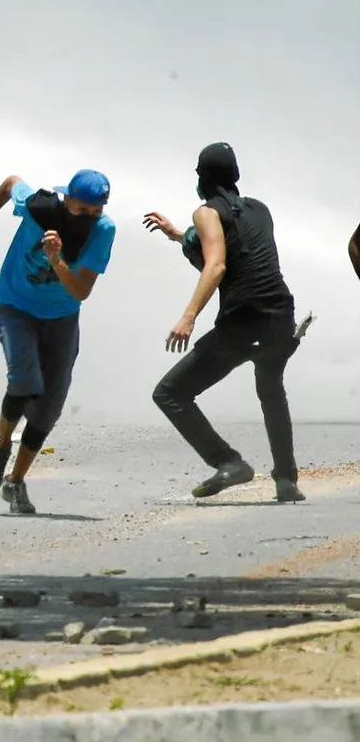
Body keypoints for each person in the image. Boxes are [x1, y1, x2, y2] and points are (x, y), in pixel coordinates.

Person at [144, 143, 305, 502]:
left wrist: (188, 317)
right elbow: (236, 247)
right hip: (281, 315)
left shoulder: (205, 212)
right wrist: (179, 236)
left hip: (243, 321)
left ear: (202, 179)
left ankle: (228, 462)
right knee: (271, 389)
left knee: (170, 393)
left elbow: (216, 264)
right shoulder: (261, 210)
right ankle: (286, 480)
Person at [0, 169, 116, 515]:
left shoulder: (103, 231)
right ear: (67, 201)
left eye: (96, 211)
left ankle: (15, 481)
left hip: (62, 317)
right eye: (81, 211)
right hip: (15, 304)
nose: (88, 218)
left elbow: (80, 290)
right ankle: (1, 448)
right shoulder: (39, 207)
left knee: (49, 405)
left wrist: (55, 259)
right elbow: (9, 183)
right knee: (24, 379)